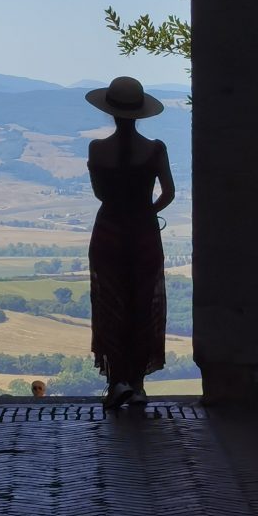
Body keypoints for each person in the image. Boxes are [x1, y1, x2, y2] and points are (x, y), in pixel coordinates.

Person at [85, 76, 175, 412]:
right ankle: (137, 383)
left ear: (111, 111)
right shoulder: (155, 149)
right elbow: (168, 193)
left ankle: (116, 382)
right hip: (143, 234)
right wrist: (145, 212)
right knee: (142, 303)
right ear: (140, 112)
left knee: (111, 303)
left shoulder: (97, 149)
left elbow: (99, 194)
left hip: (108, 232)